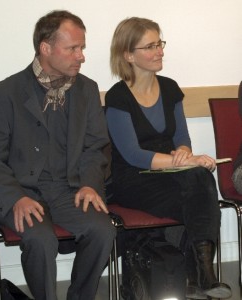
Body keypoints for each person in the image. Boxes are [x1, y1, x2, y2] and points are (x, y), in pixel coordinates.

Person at [0, 10, 116, 300]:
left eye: (82, 48)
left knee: (103, 230)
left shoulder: (87, 90)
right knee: (40, 239)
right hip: (22, 190)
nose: (81, 56)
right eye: (73, 48)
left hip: (70, 189)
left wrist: (90, 183)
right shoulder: (5, 93)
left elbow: (96, 145)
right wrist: (15, 197)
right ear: (46, 48)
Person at [105, 17, 231, 299]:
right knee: (198, 193)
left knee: (199, 180)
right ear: (128, 55)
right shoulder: (118, 98)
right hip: (133, 179)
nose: (159, 50)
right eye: (149, 46)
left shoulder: (170, 88)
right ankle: (199, 277)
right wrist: (183, 161)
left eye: (159, 43)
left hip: (172, 172)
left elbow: (181, 139)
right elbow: (134, 155)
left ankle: (201, 274)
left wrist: (185, 153)